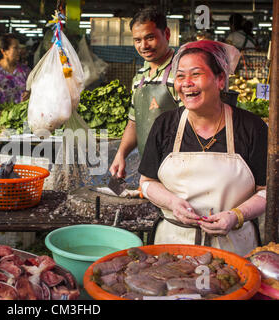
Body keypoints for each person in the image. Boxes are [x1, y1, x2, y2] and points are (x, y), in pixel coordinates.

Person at [138, 40, 267, 256]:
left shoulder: (251, 127)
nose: (186, 83)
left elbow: (267, 192)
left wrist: (235, 215)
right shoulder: (165, 124)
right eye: (180, 76)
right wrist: (172, 202)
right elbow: (147, 183)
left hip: (235, 247)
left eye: (195, 74)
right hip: (172, 247)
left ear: (220, 80)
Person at [109, 7, 181, 179]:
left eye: (150, 37)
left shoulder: (180, 73)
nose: (143, 46)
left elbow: (193, 125)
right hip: (149, 166)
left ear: (167, 34)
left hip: (177, 168)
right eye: (137, 40)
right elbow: (134, 123)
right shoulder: (139, 77)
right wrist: (121, 153)